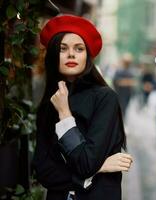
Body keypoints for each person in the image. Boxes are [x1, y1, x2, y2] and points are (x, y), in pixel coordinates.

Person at [32, 15, 133, 200]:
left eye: (79, 49)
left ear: (87, 56)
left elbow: (86, 163)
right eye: (63, 49)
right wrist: (100, 168)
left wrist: (64, 114)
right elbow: (44, 172)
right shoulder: (49, 102)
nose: (71, 54)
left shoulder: (104, 98)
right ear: (54, 54)